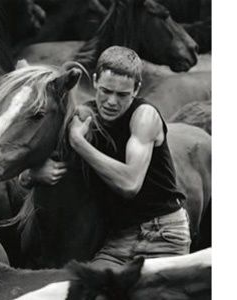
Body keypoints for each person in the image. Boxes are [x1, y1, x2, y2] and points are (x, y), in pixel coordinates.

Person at [18, 46, 191, 270]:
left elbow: (129, 184)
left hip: (164, 233)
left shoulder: (144, 117)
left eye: (122, 95)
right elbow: (34, 154)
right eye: (106, 91)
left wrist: (79, 143)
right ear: (96, 81)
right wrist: (31, 175)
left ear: (137, 89)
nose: (111, 101)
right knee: (89, 287)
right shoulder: (85, 115)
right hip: (119, 238)